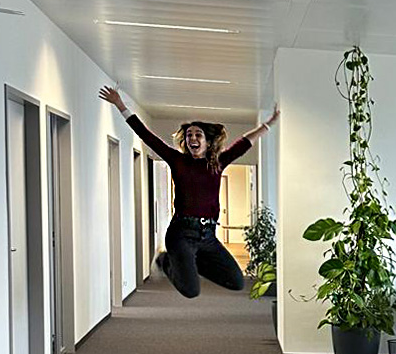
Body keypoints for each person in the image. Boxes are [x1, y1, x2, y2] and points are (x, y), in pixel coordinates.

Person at [98, 85, 279, 299]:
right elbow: (147, 136)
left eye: (198, 134)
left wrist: (268, 125)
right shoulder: (178, 160)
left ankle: (190, 263)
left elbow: (245, 142)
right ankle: (165, 261)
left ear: (208, 141)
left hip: (208, 237)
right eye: (189, 135)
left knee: (237, 282)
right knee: (191, 291)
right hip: (181, 233)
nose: (193, 138)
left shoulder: (218, 162)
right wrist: (121, 106)